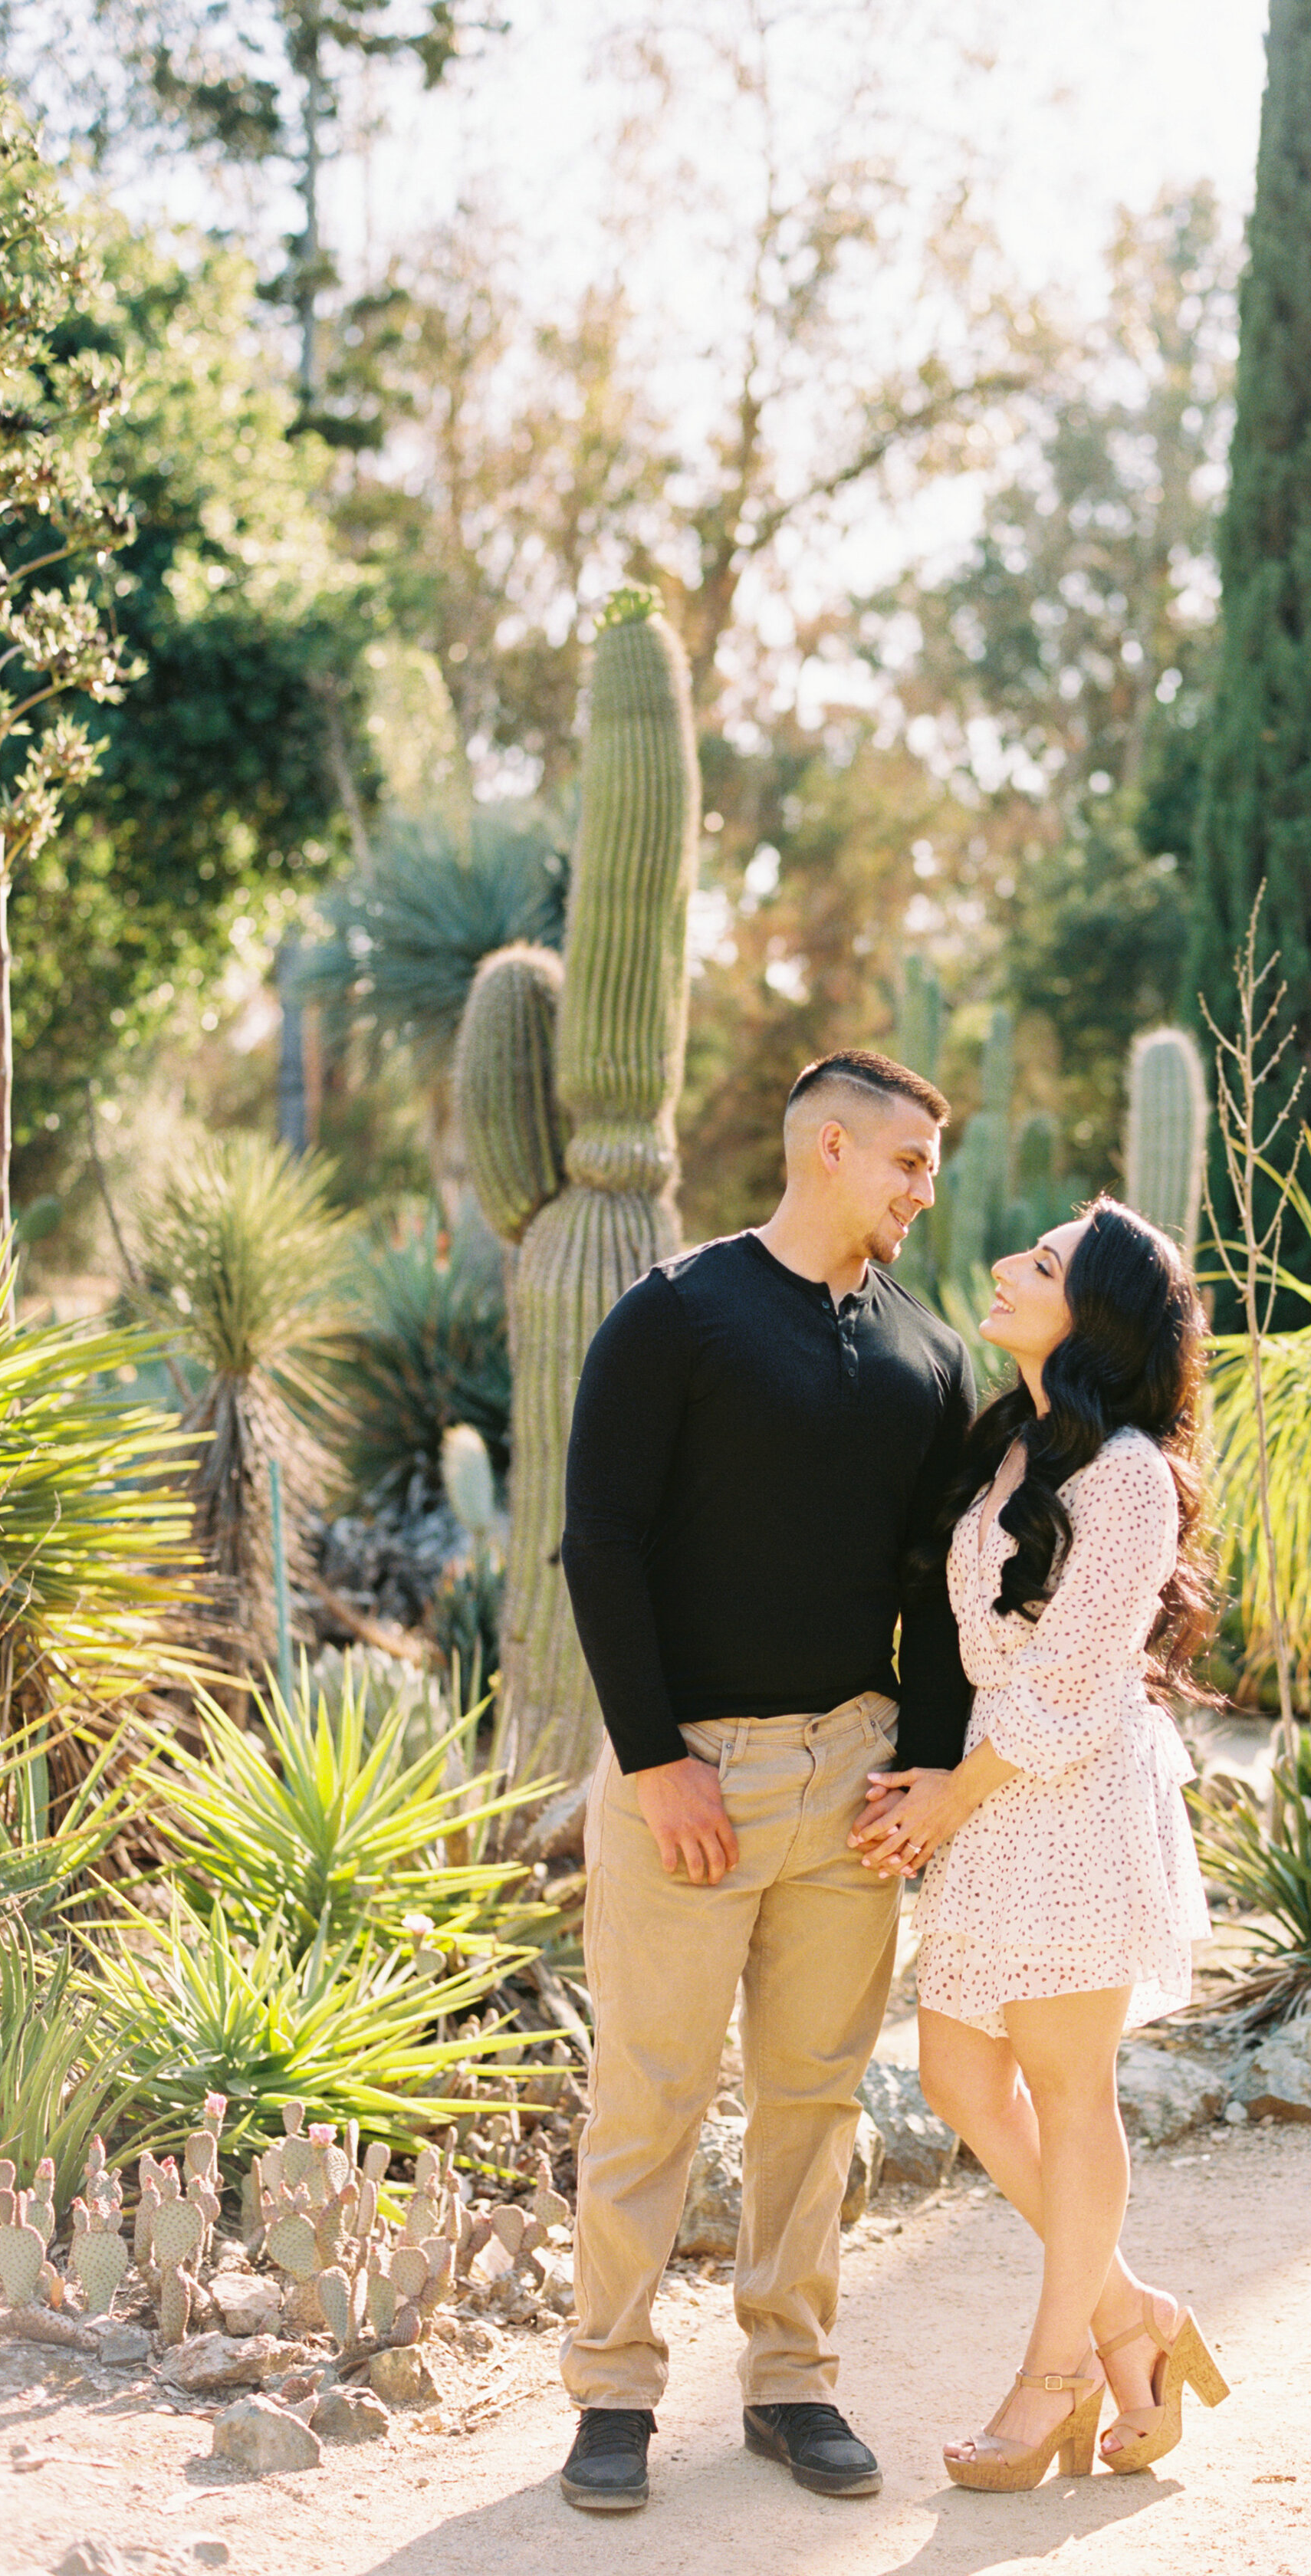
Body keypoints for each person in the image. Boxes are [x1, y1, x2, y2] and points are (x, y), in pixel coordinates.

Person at [553, 1049, 974, 2515]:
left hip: (854, 1772)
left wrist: (925, 1768)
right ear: (834, 1148)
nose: (930, 1189)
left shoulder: (929, 1351)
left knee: (815, 2099)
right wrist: (657, 1759)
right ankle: (610, 2389)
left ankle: (791, 2382)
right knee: (651, 2094)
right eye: (914, 1162)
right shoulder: (673, 1316)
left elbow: (938, 1588)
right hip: (697, 1777)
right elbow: (598, 1540)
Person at [850, 1197, 1227, 2489]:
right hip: (987, 1806)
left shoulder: (1125, 1473)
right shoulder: (1012, 1442)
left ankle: (1056, 2370)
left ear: (1095, 1315)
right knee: (960, 2079)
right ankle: (1135, 2318)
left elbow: (1072, 1678)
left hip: (1066, 1802)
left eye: (1046, 1263)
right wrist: (941, 1784)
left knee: (1070, 2096)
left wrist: (950, 1794)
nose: (1009, 1267)